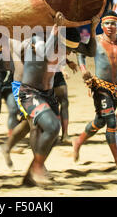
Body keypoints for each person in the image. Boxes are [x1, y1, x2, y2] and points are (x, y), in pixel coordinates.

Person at [18, 12, 97, 186]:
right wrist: (55, 30)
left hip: (48, 94)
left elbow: (90, 51)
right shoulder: (38, 39)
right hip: (30, 93)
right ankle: (37, 167)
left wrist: (92, 28)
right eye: (67, 49)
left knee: (50, 135)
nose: (68, 53)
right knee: (51, 127)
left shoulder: (64, 41)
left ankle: (33, 171)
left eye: (70, 50)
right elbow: (45, 54)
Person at [72, 10, 117, 170]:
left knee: (100, 121)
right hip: (100, 87)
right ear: (102, 25)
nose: (110, 26)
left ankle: (78, 142)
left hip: (116, 88)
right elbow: (81, 54)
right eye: (107, 23)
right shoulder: (96, 41)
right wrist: (83, 70)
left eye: (113, 24)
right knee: (111, 120)